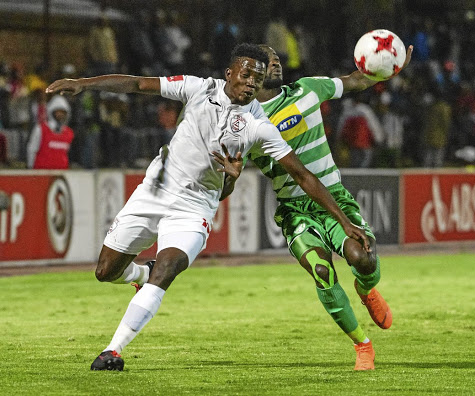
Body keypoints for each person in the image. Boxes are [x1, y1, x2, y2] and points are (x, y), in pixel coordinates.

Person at [46, 43, 370, 371]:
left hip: (195, 207)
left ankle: (112, 350)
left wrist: (342, 221)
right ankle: (140, 273)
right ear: (229, 74)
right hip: (155, 190)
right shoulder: (199, 88)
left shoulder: (259, 126)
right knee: (106, 271)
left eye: (257, 80)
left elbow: (302, 175)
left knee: (167, 269)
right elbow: (138, 83)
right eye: (246, 75)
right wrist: (84, 84)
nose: (251, 83)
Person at [251, 44, 413, 370]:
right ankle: (362, 346)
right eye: (266, 59)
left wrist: (389, 65)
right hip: (295, 212)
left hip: (333, 197)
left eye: (276, 57)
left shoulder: (309, 88)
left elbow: (355, 80)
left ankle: (366, 290)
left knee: (363, 259)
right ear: (249, 70)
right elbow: (229, 177)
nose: (275, 61)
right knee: (322, 272)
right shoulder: (241, 121)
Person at [26, 95, 74, 169]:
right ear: (51, 112)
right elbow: (32, 149)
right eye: (58, 111)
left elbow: (68, 153)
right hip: (41, 172)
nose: (60, 114)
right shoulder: (40, 129)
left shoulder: (69, 133)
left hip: (61, 173)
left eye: (63, 112)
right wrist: (30, 167)